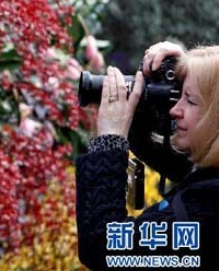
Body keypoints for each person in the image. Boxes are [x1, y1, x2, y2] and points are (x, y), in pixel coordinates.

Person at [76, 41, 219, 270]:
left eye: (190, 100)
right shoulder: (208, 181)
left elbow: (104, 246)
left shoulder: (208, 207)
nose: (175, 109)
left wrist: (109, 140)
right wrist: (169, 79)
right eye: (179, 95)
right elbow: (177, 163)